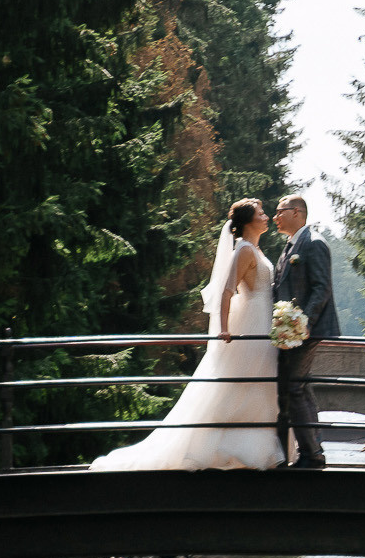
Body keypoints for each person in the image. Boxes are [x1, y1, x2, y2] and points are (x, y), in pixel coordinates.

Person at [86, 199, 280, 471]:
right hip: (252, 322)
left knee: (259, 384)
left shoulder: (256, 249)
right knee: (241, 383)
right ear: (249, 221)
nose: (267, 217)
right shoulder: (245, 250)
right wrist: (224, 327)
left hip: (262, 320)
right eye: (261, 213)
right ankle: (224, 446)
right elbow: (226, 291)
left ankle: (254, 446)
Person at [270, 194, 341, 469]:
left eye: (280, 211)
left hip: (306, 331)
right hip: (291, 331)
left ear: (297, 212)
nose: (276, 217)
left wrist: (304, 324)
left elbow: (321, 288)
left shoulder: (313, 243)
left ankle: (311, 455)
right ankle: (312, 450)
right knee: (298, 388)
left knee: (295, 388)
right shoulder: (291, 245)